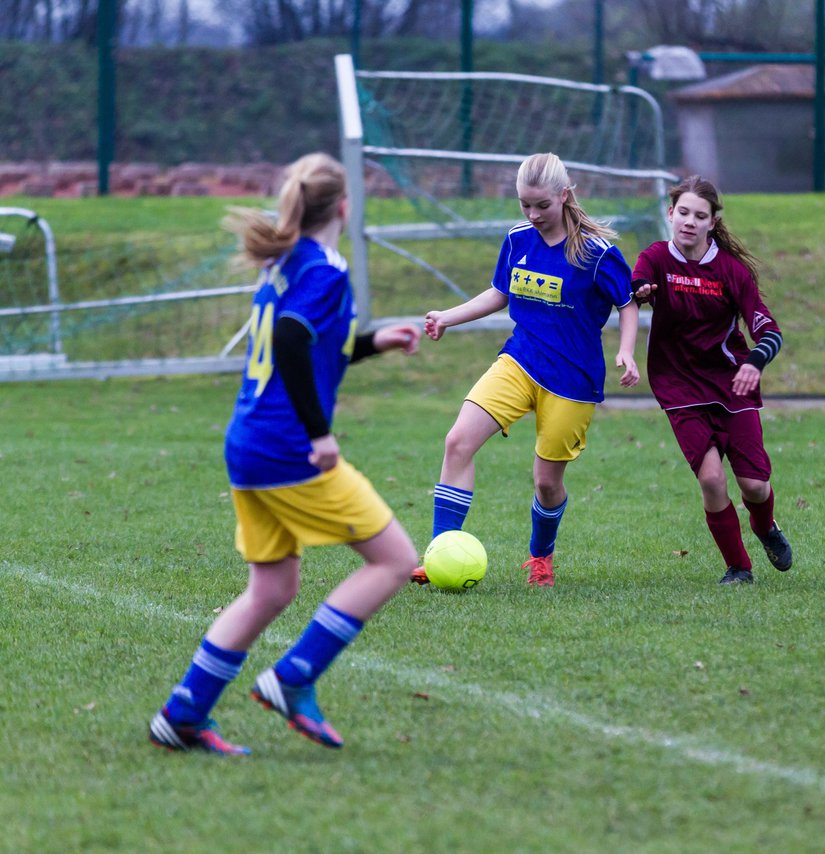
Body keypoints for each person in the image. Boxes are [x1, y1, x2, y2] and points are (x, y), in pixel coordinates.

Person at [148, 152, 423, 755]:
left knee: (270, 591)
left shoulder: (286, 264)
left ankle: (183, 712)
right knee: (395, 561)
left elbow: (314, 347)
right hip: (287, 449)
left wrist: (375, 341)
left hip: (248, 444)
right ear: (345, 209)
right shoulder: (324, 270)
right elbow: (293, 341)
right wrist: (320, 434)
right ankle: (293, 677)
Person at [414, 152, 639, 588]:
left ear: (564, 195)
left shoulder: (597, 252)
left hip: (573, 379)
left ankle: (540, 558)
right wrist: (447, 316)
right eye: (524, 205)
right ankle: (440, 551)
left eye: (542, 205)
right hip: (520, 361)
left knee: (546, 484)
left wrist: (627, 352)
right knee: (457, 441)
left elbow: (627, 303)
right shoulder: (518, 239)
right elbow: (500, 292)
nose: (533, 215)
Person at [632, 175, 792, 585]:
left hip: (730, 383)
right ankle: (739, 567)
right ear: (670, 214)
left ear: (712, 221)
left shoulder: (731, 271)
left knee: (754, 485)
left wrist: (754, 363)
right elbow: (635, 285)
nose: (689, 221)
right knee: (710, 478)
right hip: (678, 386)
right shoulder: (654, 258)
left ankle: (765, 527)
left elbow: (769, 331)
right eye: (682, 212)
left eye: (699, 215)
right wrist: (642, 291)